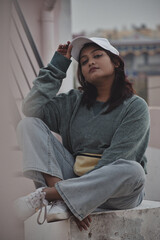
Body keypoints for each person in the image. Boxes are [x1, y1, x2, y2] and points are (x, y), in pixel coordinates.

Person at [15, 36, 150, 231]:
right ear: (82, 73)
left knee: (134, 171)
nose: (91, 62)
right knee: (28, 125)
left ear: (116, 62)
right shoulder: (72, 102)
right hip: (74, 179)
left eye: (97, 55)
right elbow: (31, 108)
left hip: (116, 194)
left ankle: (49, 194)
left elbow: (117, 159)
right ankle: (59, 197)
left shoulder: (135, 107)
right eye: (84, 61)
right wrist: (57, 66)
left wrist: (83, 199)